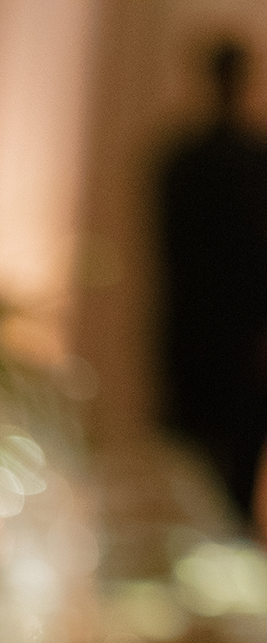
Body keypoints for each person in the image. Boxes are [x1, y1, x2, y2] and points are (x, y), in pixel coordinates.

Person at [158, 37, 267, 519]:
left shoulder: (194, 161)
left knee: (223, 469)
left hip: (233, 342)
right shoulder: (184, 161)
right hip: (205, 337)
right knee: (192, 468)